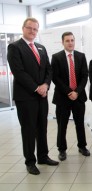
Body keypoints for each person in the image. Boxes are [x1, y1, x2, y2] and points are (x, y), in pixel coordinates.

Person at [7, 17, 59, 175]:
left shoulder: (41, 47)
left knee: (42, 127)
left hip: (41, 96)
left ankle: (43, 156)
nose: (32, 31)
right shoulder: (15, 47)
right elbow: (19, 72)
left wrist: (45, 85)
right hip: (26, 97)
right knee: (29, 129)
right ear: (23, 28)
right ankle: (30, 161)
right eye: (29, 28)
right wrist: (36, 87)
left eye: (35, 29)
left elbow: (49, 70)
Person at [51, 32, 90, 161]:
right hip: (63, 98)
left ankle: (82, 146)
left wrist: (77, 92)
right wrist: (69, 92)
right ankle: (62, 150)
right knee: (62, 125)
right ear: (62, 42)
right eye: (67, 40)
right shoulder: (56, 57)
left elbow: (85, 76)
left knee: (80, 124)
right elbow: (55, 78)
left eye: (72, 40)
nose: (70, 43)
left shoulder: (81, 56)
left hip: (78, 97)